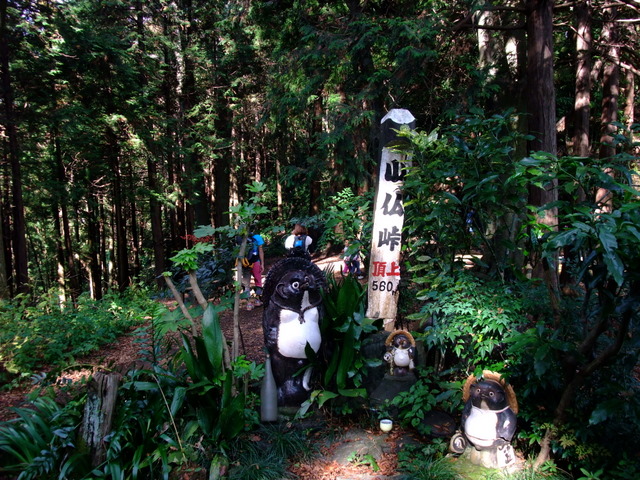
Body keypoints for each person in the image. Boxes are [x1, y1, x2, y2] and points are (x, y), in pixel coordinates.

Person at [241, 232, 265, 304]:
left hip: (244, 262)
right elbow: (260, 250)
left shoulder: (241, 237)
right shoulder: (257, 237)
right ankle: (258, 300)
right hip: (255, 261)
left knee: (246, 283)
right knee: (258, 281)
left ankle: (248, 303)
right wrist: (262, 264)